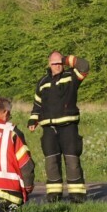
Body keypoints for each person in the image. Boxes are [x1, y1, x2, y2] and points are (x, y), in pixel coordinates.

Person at [28, 50, 89, 203]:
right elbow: (37, 104)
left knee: (72, 160)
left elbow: (85, 66)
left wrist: (67, 59)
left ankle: (77, 195)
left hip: (68, 126)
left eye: (60, 63)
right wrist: (33, 120)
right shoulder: (42, 82)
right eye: (54, 63)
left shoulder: (71, 77)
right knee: (51, 161)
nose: (57, 66)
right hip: (49, 129)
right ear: (49, 64)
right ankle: (54, 195)